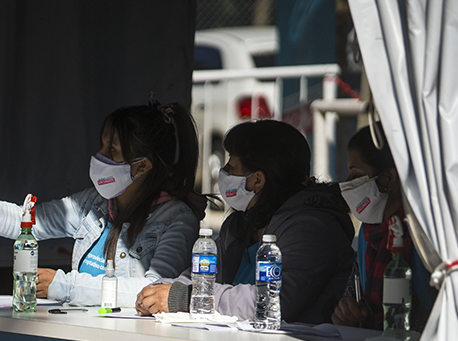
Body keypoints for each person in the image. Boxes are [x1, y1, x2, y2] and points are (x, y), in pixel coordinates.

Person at [0, 98, 203, 306]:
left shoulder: (177, 218)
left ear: (142, 167)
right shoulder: (93, 203)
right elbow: (25, 222)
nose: (100, 156)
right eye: (102, 145)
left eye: (112, 150)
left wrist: (64, 285)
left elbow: (153, 290)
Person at [136, 119, 354, 322]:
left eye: (231, 167)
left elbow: (274, 301)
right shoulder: (239, 225)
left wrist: (188, 298)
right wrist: (160, 290)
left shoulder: (312, 229)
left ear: (257, 180)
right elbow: (201, 276)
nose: (223, 173)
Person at [331, 125, 432, 331]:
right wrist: (348, 311)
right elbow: (353, 295)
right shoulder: (366, 235)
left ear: (388, 178)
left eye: (355, 174)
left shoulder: (427, 237)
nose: (348, 184)